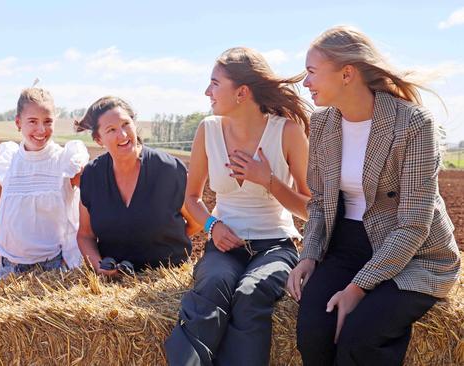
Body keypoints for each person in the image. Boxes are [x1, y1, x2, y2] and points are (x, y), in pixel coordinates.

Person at [288, 26, 461, 366]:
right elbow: (321, 202)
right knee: (313, 334)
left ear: (347, 73)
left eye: (311, 72)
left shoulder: (413, 124)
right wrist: (309, 255)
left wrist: (357, 289)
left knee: (358, 338)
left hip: (414, 254)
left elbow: (413, 225)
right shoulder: (322, 123)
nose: (305, 84)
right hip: (345, 246)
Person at [165, 47, 312, 366]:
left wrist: (269, 180)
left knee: (250, 293)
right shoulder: (208, 130)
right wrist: (212, 227)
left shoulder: (287, 132)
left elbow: (311, 209)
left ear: (242, 92)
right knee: (215, 283)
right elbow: (191, 198)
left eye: (215, 83)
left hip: (275, 246)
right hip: (223, 245)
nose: (207, 91)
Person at [75, 96, 199, 276]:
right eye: (111, 130)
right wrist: (99, 266)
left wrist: (164, 248)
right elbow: (85, 235)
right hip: (115, 284)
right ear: (98, 139)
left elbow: (195, 222)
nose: (123, 135)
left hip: (166, 280)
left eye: (126, 124)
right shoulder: (92, 176)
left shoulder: (168, 169)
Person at [0, 87, 89, 282]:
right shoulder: (5, 163)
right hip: (8, 270)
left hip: (54, 272)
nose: (41, 130)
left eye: (48, 122)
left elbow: (94, 202)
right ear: (18, 122)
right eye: (32, 121)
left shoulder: (67, 161)